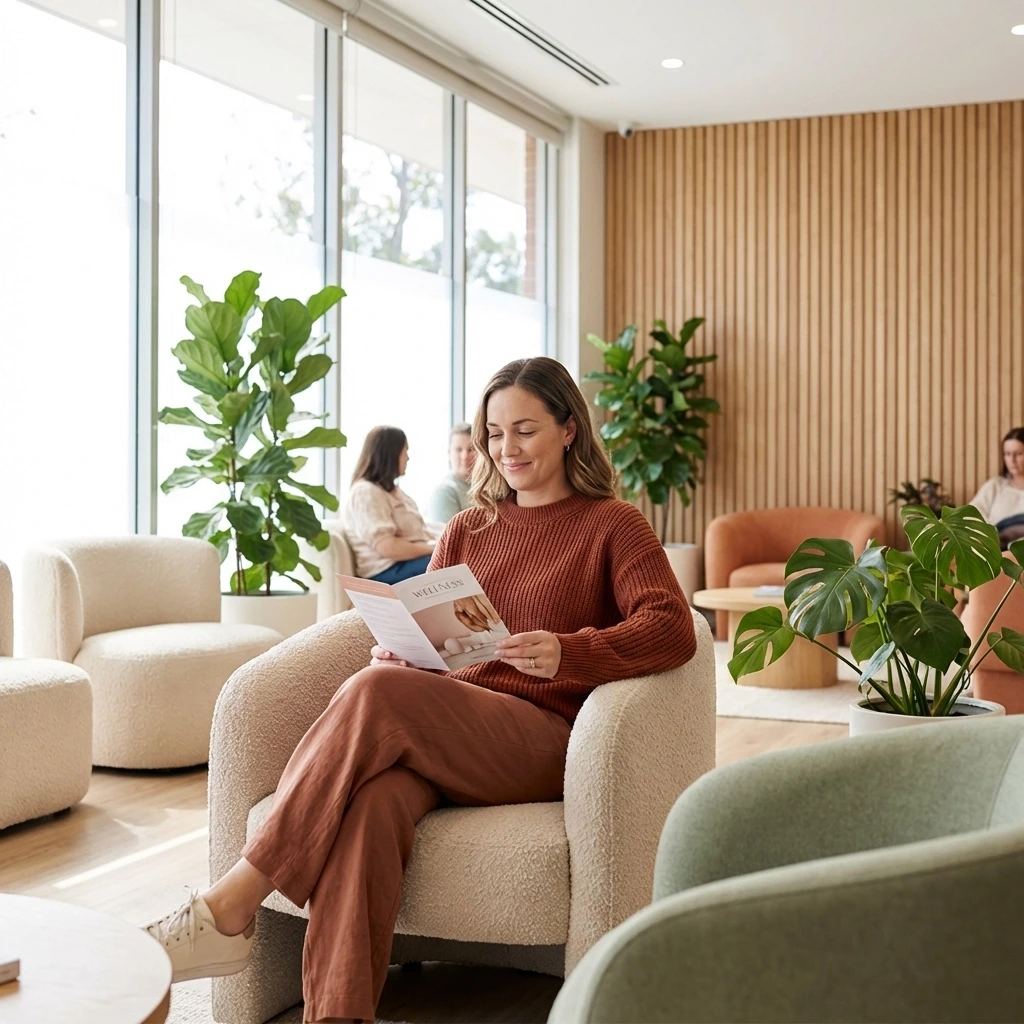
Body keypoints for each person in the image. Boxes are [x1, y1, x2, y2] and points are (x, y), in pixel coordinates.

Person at [143, 356, 698, 1024]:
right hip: (449, 728)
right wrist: (406, 653)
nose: (506, 448)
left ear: (569, 429)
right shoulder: (470, 528)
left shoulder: (613, 524)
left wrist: (569, 651)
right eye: (494, 433)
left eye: (524, 429)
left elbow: (672, 629)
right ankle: (337, 1016)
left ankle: (233, 902)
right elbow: (432, 634)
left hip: (542, 740)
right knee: (372, 803)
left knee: (374, 692)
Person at [343, 426, 437, 584]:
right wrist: (434, 550)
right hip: (387, 571)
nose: (408, 458)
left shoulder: (391, 491)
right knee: (455, 567)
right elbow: (387, 547)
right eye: (405, 451)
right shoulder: (365, 492)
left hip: (408, 564)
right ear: (390, 454)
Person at [969, 427, 1024, 548]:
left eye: (1018, 454)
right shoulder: (994, 486)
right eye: (1007, 454)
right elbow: (971, 514)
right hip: (997, 551)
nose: (1012, 460)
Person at [426, 422, 476, 523]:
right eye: (458, 450)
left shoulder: (486, 486)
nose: (465, 456)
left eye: (471, 449)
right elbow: (445, 537)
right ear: (449, 453)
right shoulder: (444, 492)